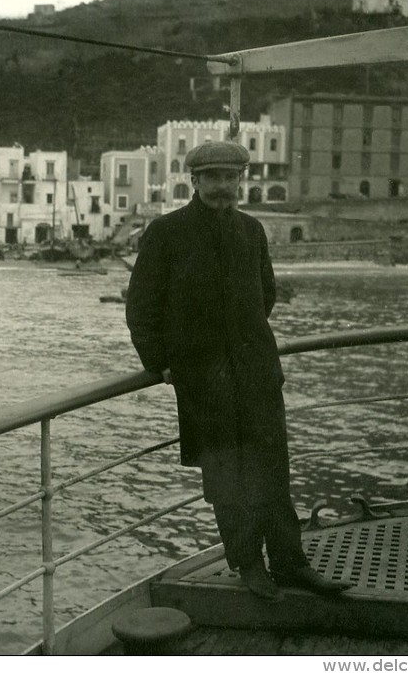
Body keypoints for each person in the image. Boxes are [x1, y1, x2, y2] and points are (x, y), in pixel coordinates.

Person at [125, 141, 352, 602]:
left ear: (240, 181)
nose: (223, 187)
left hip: (256, 373)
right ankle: (249, 564)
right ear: (196, 181)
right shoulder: (167, 232)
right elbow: (141, 306)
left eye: (231, 178)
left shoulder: (252, 231)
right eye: (213, 178)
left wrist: (246, 344)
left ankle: (291, 564)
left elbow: (264, 294)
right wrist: (161, 362)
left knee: (274, 472)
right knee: (226, 480)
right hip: (204, 380)